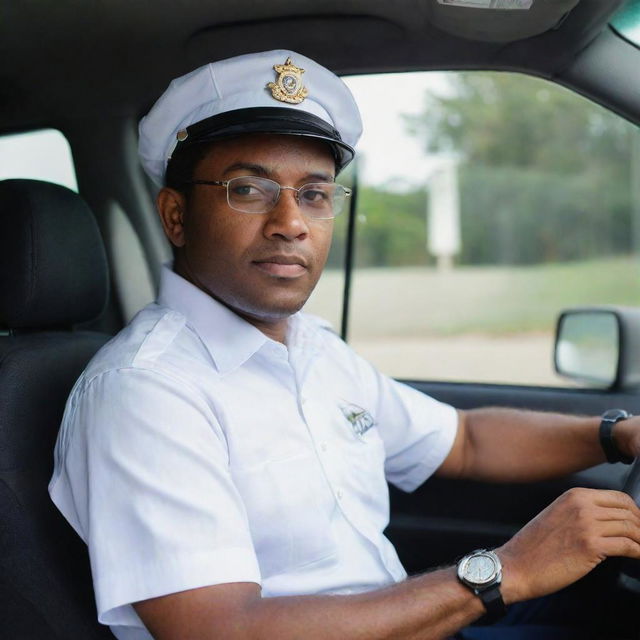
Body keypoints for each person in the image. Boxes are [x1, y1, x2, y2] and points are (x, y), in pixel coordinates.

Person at [49, 49, 640, 640]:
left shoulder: (311, 348)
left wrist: (615, 435)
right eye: (249, 189)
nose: (291, 222)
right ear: (177, 217)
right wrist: (503, 572)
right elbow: (221, 630)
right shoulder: (146, 390)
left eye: (314, 194)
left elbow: (465, 441)